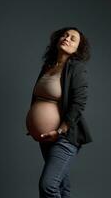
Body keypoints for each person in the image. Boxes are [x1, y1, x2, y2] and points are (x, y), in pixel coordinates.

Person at [25, 26, 93, 198]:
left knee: (48, 186)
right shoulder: (48, 66)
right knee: (61, 185)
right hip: (45, 136)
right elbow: (39, 98)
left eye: (73, 38)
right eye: (64, 35)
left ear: (78, 48)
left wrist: (61, 130)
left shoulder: (76, 68)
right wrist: (34, 124)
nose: (67, 38)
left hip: (64, 136)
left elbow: (79, 103)